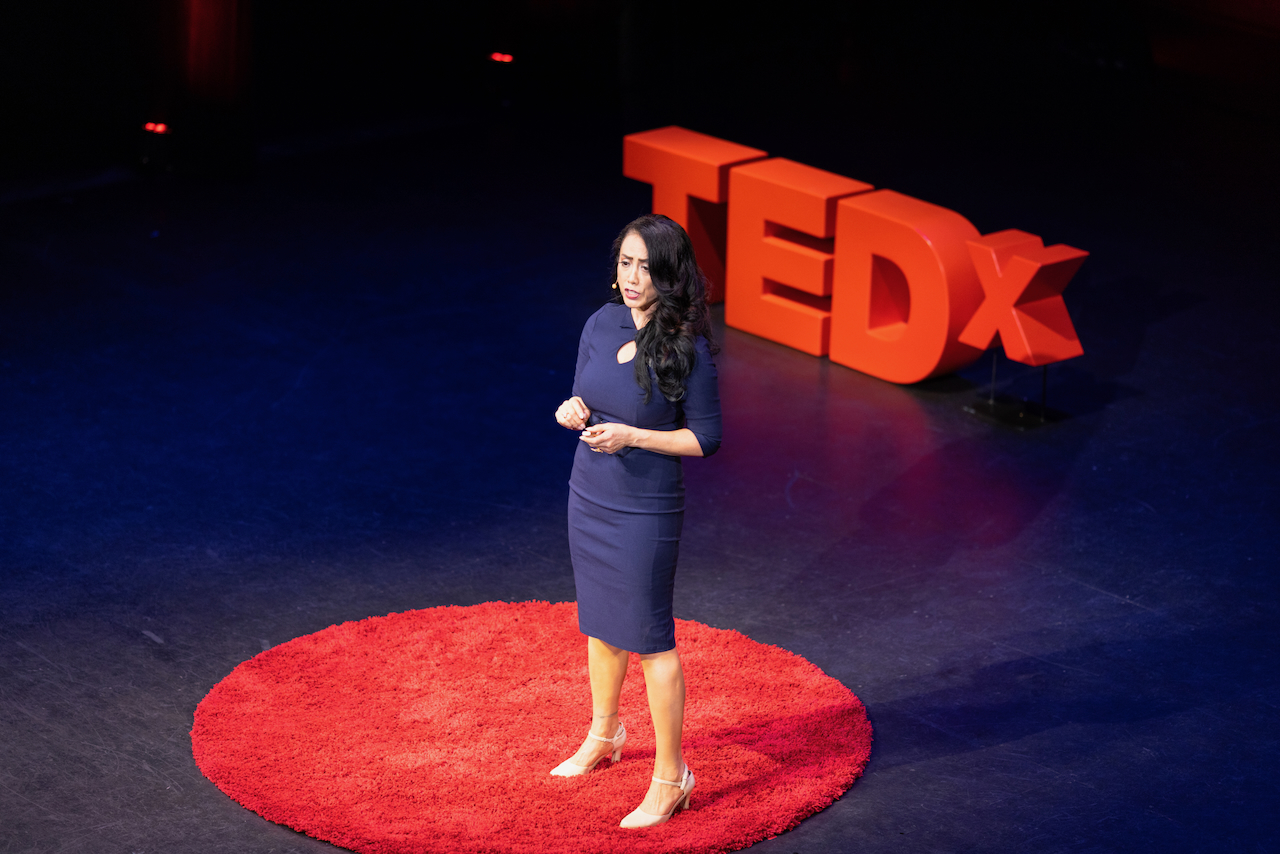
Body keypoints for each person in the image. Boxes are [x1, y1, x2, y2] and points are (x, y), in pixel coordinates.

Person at [551, 214, 722, 829]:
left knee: (651, 639)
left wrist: (633, 436)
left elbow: (705, 439)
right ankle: (605, 734)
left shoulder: (686, 345)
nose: (631, 277)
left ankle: (672, 776)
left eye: (646, 267)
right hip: (589, 495)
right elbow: (586, 394)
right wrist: (575, 411)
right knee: (599, 623)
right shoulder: (600, 322)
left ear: (670, 274)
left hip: (645, 508)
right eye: (625, 262)